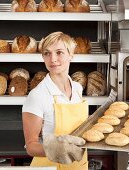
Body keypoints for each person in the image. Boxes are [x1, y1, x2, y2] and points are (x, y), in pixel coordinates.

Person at [22, 31, 89, 170]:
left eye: (59, 52)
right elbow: (30, 146)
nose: (52, 59)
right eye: (47, 53)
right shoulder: (37, 95)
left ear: (71, 55)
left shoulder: (77, 88)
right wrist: (53, 150)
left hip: (78, 165)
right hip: (50, 166)